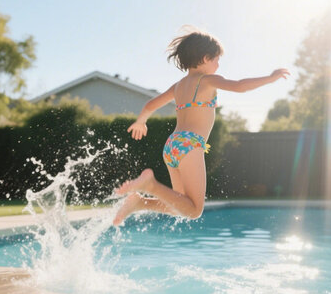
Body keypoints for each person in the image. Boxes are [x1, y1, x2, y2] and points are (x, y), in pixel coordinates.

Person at [113, 28, 289, 225]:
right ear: (206, 58)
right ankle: (151, 186)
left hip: (172, 146)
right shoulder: (207, 80)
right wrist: (270, 78)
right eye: (216, 59)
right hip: (189, 145)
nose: (218, 64)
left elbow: (150, 105)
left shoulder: (178, 86)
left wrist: (141, 121)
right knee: (195, 210)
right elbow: (240, 86)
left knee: (181, 205)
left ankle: (140, 202)